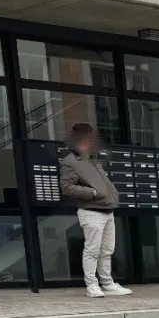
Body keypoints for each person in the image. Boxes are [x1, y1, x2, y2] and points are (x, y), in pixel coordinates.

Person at [60, 123, 131, 297]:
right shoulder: (70, 162)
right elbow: (67, 187)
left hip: (107, 211)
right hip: (91, 211)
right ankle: (92, 285)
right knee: (92, 250)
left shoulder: (92, 159)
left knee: (107, 250)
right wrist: (91, 193)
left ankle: (107, 283)